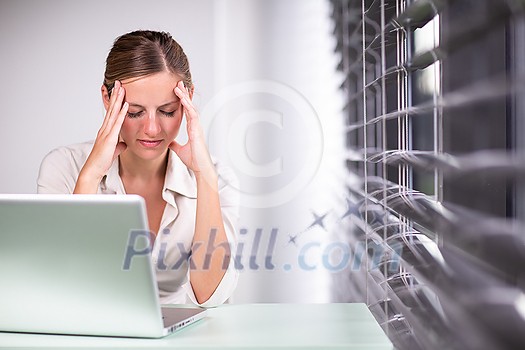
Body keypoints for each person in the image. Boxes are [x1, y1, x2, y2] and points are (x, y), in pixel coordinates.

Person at [37, 30, 239, 307]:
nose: (153, 129)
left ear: (188, 99)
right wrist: (90, 177)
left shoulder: (216, 176)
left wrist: (205, 178)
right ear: (108, 100)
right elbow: (63, 286)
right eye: (134, 112)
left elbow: (210, 295)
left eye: (168, 110)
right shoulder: (64, 166)